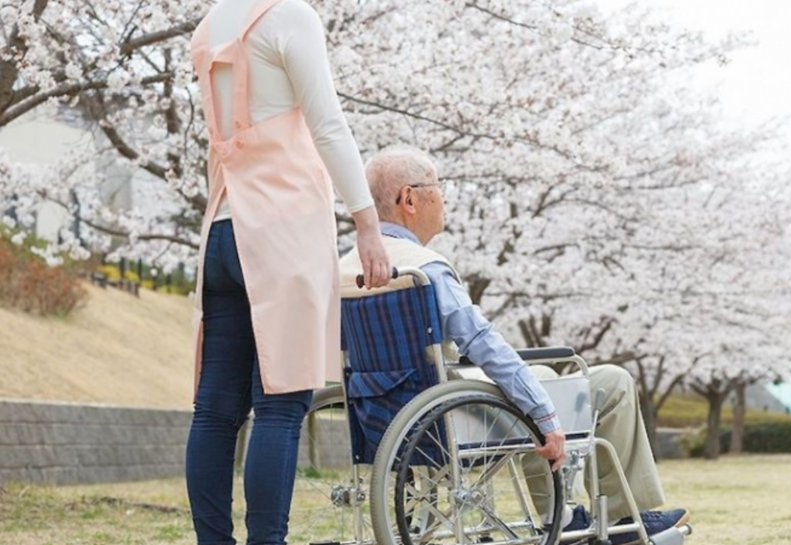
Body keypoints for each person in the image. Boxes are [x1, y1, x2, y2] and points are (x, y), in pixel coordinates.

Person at [339, 146, 690, 544]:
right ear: (409, 198)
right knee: (611, 381)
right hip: (450, 418)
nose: (445, 198)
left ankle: (571, 514)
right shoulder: (425, 269)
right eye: (438, 187)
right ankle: (613, 517)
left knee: (538, 376)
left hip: (379, 414)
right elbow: (482, 342)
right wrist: (544, 415)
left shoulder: (346, 268)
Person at [186, 1, 391, 544]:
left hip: (222, 230)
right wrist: (367, 223)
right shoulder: (289, 16)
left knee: (215, 411)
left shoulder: (208, 28)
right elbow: (328, 124)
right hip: (281, 232)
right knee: (279, 404)